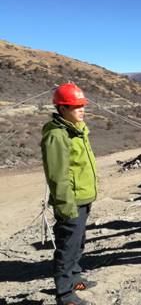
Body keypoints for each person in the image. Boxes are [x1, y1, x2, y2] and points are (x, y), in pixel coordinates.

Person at [41, 83, 97, 305]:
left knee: (78, 244)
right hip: (70, 202)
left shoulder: (77, 128)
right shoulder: (57, 135)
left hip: (83, 198)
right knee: (67, 248)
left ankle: (75, 280)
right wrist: (66, 207)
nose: (82, 110)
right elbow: (58, 176)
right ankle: (65, 295)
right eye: (76, 106)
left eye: (82, 105)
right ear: (62, 108)